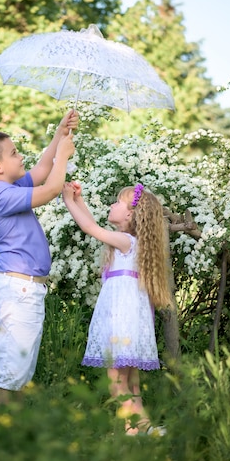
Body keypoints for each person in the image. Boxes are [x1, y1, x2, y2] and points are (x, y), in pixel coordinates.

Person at [0, 110, 78, 397]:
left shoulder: (10, 187)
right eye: (14, 153)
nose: (21, 157)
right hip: (19, 290)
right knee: (9, 372)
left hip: (26, 289)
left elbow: (43, 168)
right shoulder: (0, 196)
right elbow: (52, 188)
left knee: (18, 372)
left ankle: (10, 434)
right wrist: (64, 155)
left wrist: (60, 132)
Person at [62, 181, 171, 435]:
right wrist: (79, 200)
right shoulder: (131, 243)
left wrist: (68, 200)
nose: (112, 205)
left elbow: (90, 227)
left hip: (121, 318)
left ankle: (131, 431)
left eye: (117, 202)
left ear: (130, 214)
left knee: (116, 379)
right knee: (130, 380)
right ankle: (144, 427)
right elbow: (94, 224)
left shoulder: (126, 241)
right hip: (129, 317)